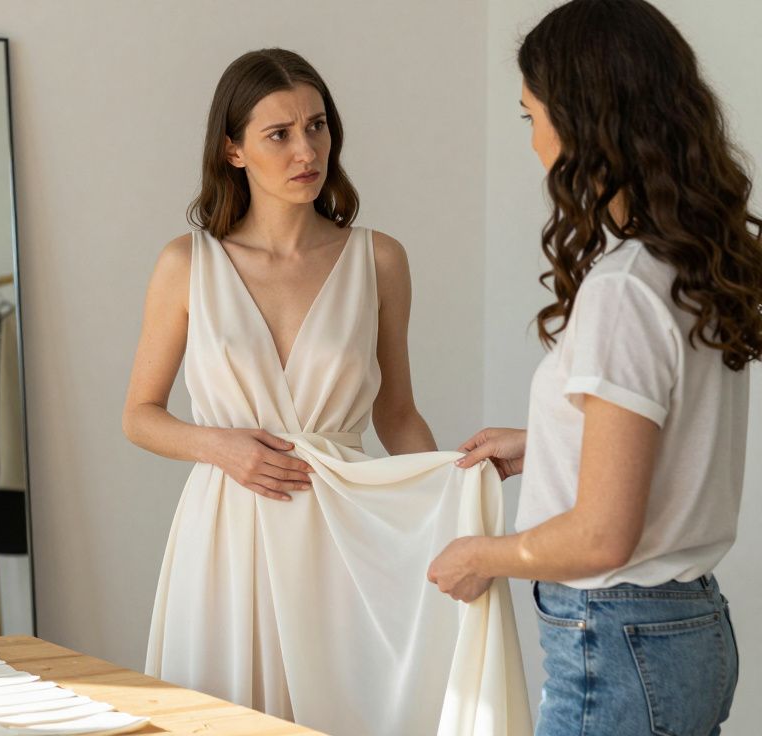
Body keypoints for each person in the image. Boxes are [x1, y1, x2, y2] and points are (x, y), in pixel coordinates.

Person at [428, 2, 762, 733]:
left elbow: (602, 536)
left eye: (530, 117)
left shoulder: (626, 287)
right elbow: (670, 436)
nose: (534, 142)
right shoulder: (694, 262)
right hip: (687, 630)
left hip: (618, 643)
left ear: (582, 122)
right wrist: (547, 441)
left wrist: (483, 555)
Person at [122, 48, 436, 723]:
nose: (307, 149)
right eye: (280, 134)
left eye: (317, 126)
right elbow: (140, 416)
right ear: (233, 150)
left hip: (343, 527)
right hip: (226, 530)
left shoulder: (378, 260)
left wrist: (445, 513)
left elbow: (399, 414)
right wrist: (219, 447)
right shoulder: (187, 265)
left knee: (346, 708)